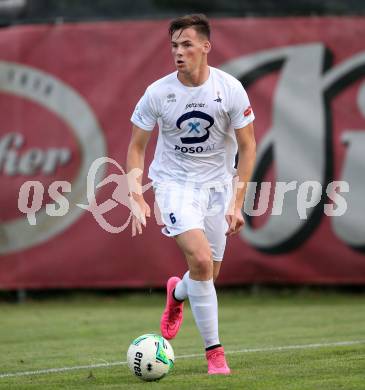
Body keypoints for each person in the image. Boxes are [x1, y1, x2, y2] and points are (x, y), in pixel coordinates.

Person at [126, 14, 256, 375]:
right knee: (199, 261)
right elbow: (136, 147)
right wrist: (136, 195)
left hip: (217, 186)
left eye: (186, 45)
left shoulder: (229, 89)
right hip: (174, 185)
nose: (178, 53)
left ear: (205, 47)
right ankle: (215, 354)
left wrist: (236, 202)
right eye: (173, 46)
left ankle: (177, 293)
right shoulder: (158, 92)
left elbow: (248, 147)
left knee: (206, 275)